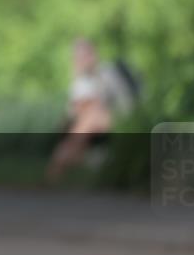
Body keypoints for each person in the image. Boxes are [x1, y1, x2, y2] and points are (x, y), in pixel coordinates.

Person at [46, 38, 136, 182]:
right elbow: (74, 111)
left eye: (84, 56)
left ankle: (71, 162)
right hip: (89, 131)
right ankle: (62, 169)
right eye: (78, 57)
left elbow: (106, 106)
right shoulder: (81, 81)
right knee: (68, 138)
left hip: (110, 123)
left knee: (91, 113)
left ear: (93, 55)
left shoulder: (106, 73)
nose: (81, 60)